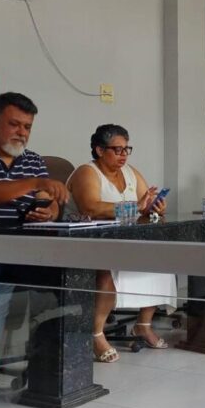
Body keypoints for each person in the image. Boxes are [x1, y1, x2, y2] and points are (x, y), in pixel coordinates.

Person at [0, 91, 69, 391]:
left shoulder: (33, 161)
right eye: (15, 124)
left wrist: (50, 211)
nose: (22, 133)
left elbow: (46, 200)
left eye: (27, 127)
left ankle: (46, 363)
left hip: (27, 245)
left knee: (66, 280)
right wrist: (36, 184)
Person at [62, 124, 175, 361]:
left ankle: (143, 325)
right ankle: (95, 334)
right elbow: (90, 207)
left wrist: (154, 206)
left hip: (122, 240)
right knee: (107, 269)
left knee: (161, 261)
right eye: (117, 149)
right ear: (99, 150)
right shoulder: (87, 172)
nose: (124, 155)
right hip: (84, 242)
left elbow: (144, 206)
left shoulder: (131, 173)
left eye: (127, 149)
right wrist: (136, 206)